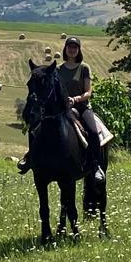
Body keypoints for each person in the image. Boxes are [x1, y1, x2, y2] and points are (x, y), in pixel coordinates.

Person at [19, 35, 104, 182]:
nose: (72, 50)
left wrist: (76, 99)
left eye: (75, 47)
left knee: (93, 131)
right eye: (69, 47)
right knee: (35, 128)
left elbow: (88, 92)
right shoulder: (57, 69)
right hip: (62, 108)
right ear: (65, 49)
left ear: (79, 50)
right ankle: (30, 157)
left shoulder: (84, 67)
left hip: (81, 107)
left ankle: (95, 165)